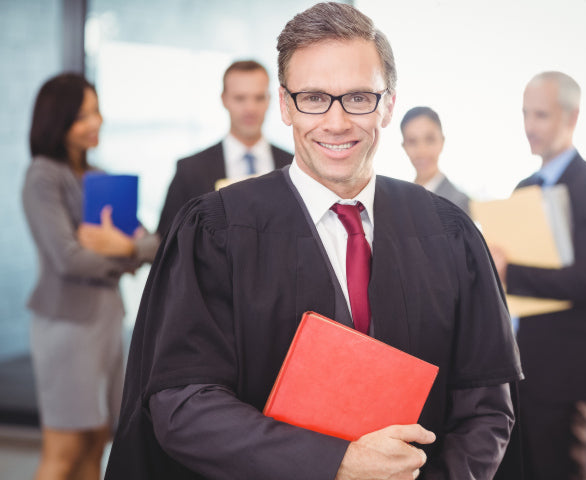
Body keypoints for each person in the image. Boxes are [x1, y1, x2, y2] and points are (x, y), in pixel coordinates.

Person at [104, 3, 522, 479]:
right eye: (314, 98)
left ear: (388, 104)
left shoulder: (449, 232)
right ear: (285, 105)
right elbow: (184, 404)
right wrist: (336, 464)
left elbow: (486, 406)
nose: (338, 122)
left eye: (359, 97)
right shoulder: (217, 229)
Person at [21, 73, 158, 480]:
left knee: (97, 438)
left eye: (96, 111)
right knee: (64, 447)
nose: (95, 122)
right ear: (57, 122)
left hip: (105, 321)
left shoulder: (99, 177)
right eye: (82, 116)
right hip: (67, 326)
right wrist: (128, 252)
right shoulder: (44, 175)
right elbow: (68, 260)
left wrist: (123, 248)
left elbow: (153, 243)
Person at [490, 71, 586, 480]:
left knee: (558, 469)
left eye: (541, 115)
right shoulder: (523, 187)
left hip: (563, 368)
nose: (530, 127)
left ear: (572, 117)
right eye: (526, 114)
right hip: (520, 365)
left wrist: (510, 271)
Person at [156, 60, 293, 237]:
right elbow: (168, 240)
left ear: (270, 100)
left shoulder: (294, 165)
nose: (250, 108)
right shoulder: (190, 170)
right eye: (240, 98)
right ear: (224, 99)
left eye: (258, 97)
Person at [401, 106, 471, 214]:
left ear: (441, 142)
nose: (421, 151)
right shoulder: (399, 200)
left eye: (430, 140)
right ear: (404, 147)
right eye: (412, 142)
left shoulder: (457, 203)